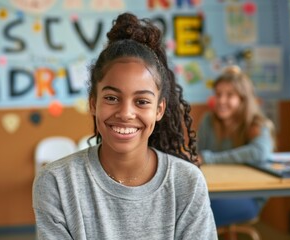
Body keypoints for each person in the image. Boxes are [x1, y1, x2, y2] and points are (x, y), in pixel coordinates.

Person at [33, 12, 217, 240]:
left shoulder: (187, 182)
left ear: (159, 110)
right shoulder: (57, 181)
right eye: (111, 98)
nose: (126, 113)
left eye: (142, 101)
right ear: (93, 103)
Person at [197, 65, 275, 229]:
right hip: (213, 191)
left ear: (243, 99)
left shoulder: (257, 124)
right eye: (218, 94)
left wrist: (210, 158)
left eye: (230, 95)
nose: (221, 100)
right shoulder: (207, 121)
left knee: (195, 213)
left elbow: (260, 152)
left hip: (248, 196)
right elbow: (197, 155)